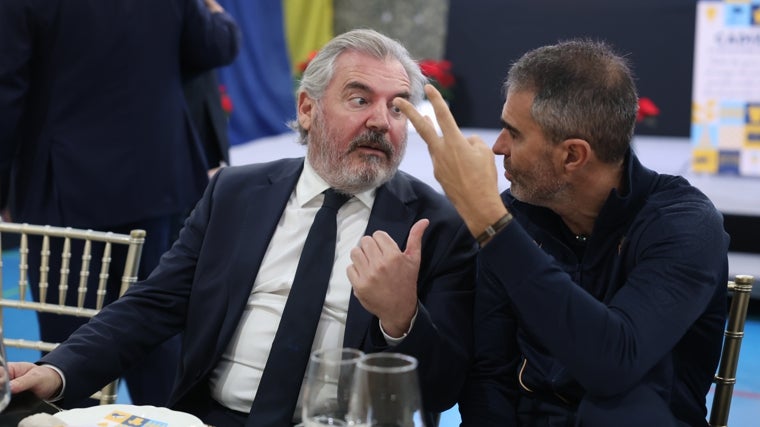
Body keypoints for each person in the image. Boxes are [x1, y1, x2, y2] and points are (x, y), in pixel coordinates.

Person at [8, 29, 476, 426]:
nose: (380, 120)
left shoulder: (433, 225)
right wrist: (59, 370)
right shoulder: (235, 193)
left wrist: (401, 320)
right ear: (308, 109)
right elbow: (151, 305)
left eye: (398, 108)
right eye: (359, 99)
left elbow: (440, 392)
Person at [395, 39, 729, 426]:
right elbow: (490, 377)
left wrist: (489, 221)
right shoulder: (515, 218)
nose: (498, 147)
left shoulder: (683, 223)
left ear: (572, 155)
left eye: (514, 133)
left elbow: (613, 362)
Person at [0, 0, 241, 406]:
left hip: (67, 187)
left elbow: (7, 91)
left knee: (67, 343)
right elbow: (213, 48)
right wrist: (216, 13)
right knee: (160, 327)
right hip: (158, 177)